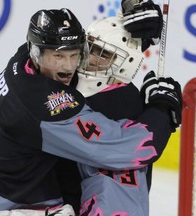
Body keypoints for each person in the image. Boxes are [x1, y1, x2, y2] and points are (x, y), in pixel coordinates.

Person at [0, 7, 181, 216]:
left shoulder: (23, 61)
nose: (68, 67)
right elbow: (131, 148)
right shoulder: (45, 108)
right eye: (58, 56)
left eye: (74, 55)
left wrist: (134, 23)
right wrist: (161, 107)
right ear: (38, 53)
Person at [77, 1, 181, 215]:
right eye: (90, 47)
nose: (90, 57)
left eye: (103, 54)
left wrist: (159, 112)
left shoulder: (123, 103)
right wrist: (160, 112)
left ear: (125, 64)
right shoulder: (75, 80)